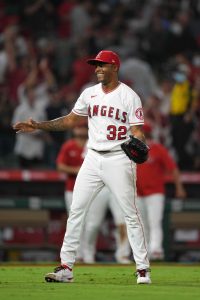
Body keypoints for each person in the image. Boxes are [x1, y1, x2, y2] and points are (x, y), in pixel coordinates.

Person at [13, 50, 151, 284]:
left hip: (119, 158)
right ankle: (66, 267)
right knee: (76, 210)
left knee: (130, 213)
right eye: (96, 65)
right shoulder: (89, 94)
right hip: (93, 157)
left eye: (102, 65)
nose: (97, 68)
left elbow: (137, 128)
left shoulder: (129, 96)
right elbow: (70, 120)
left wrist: (140, 140)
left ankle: (142, 269)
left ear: (114, 67)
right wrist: (39, 126)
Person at [56, 123, 131, 264]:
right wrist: (79, 171)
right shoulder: (75, 144)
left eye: (84, 128)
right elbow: (61, 166)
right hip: (79, 188)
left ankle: (102, 254)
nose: (81, 130)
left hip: (106, 187)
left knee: (98, 224)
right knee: (82, 222)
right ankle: (80, 255)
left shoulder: (103, 141)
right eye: (79, 127)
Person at [136, 123, 186, 261]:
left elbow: (173, 168)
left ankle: (156, 250)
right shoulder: (132, 149)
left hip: (155, 192)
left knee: (154, 221)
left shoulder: (157, 148)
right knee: (142, 224)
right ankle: (145, 252)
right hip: (137, 193)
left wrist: (179, 187)